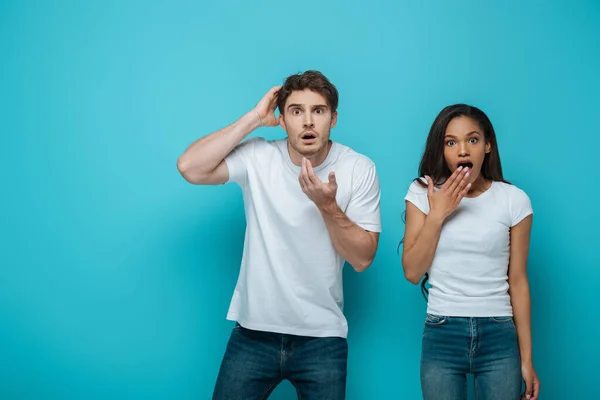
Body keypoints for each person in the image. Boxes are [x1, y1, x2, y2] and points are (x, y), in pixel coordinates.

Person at [177, 70, 381, 399]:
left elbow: (362, 258)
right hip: (253, 335)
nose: (308, 122)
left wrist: (327, 206)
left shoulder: (358, 168)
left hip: (322, 339)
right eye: (296, 111)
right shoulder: (259, 156)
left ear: (334, 118)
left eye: (319, 111)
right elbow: (190, 167)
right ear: (283, 120)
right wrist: (254, 118)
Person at [401, 104, 540, 400]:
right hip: (442, 331)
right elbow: (412, 272)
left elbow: (518, 280)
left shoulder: (514, 201)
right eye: (451, 142)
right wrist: (437, 214)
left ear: (487, 145)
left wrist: (526, 360)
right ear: (442, 150)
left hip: (499, 334)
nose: (462, 150)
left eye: (472, 140)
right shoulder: (421, 193)